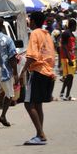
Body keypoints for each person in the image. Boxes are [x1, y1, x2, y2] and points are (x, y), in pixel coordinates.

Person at [21, 11, 56, 145]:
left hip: (38, 71)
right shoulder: (46, 34)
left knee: (28, 103)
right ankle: (39, 134)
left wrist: (22, 72)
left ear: (33, 21)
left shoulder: (35, 33)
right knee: (37, 104)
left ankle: (41, 134)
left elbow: (32, 56)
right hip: (47, 71)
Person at [0, 18, 17, 128]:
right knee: (9, 94)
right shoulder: (7, 39)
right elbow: (12, 57)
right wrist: (16, 73)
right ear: (2, 26)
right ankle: (3, 115)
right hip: (5, 72)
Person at [59, 19, 77, 100]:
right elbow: (64, 46)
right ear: (73, 25)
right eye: (75, 26)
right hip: (67, 58)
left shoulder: (70, 33)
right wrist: (69, 59)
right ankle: (66, 94)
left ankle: (64, 93)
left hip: (71, 57)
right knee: (69, 77)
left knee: (69, 77)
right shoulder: (66, 33)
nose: (76, 27)